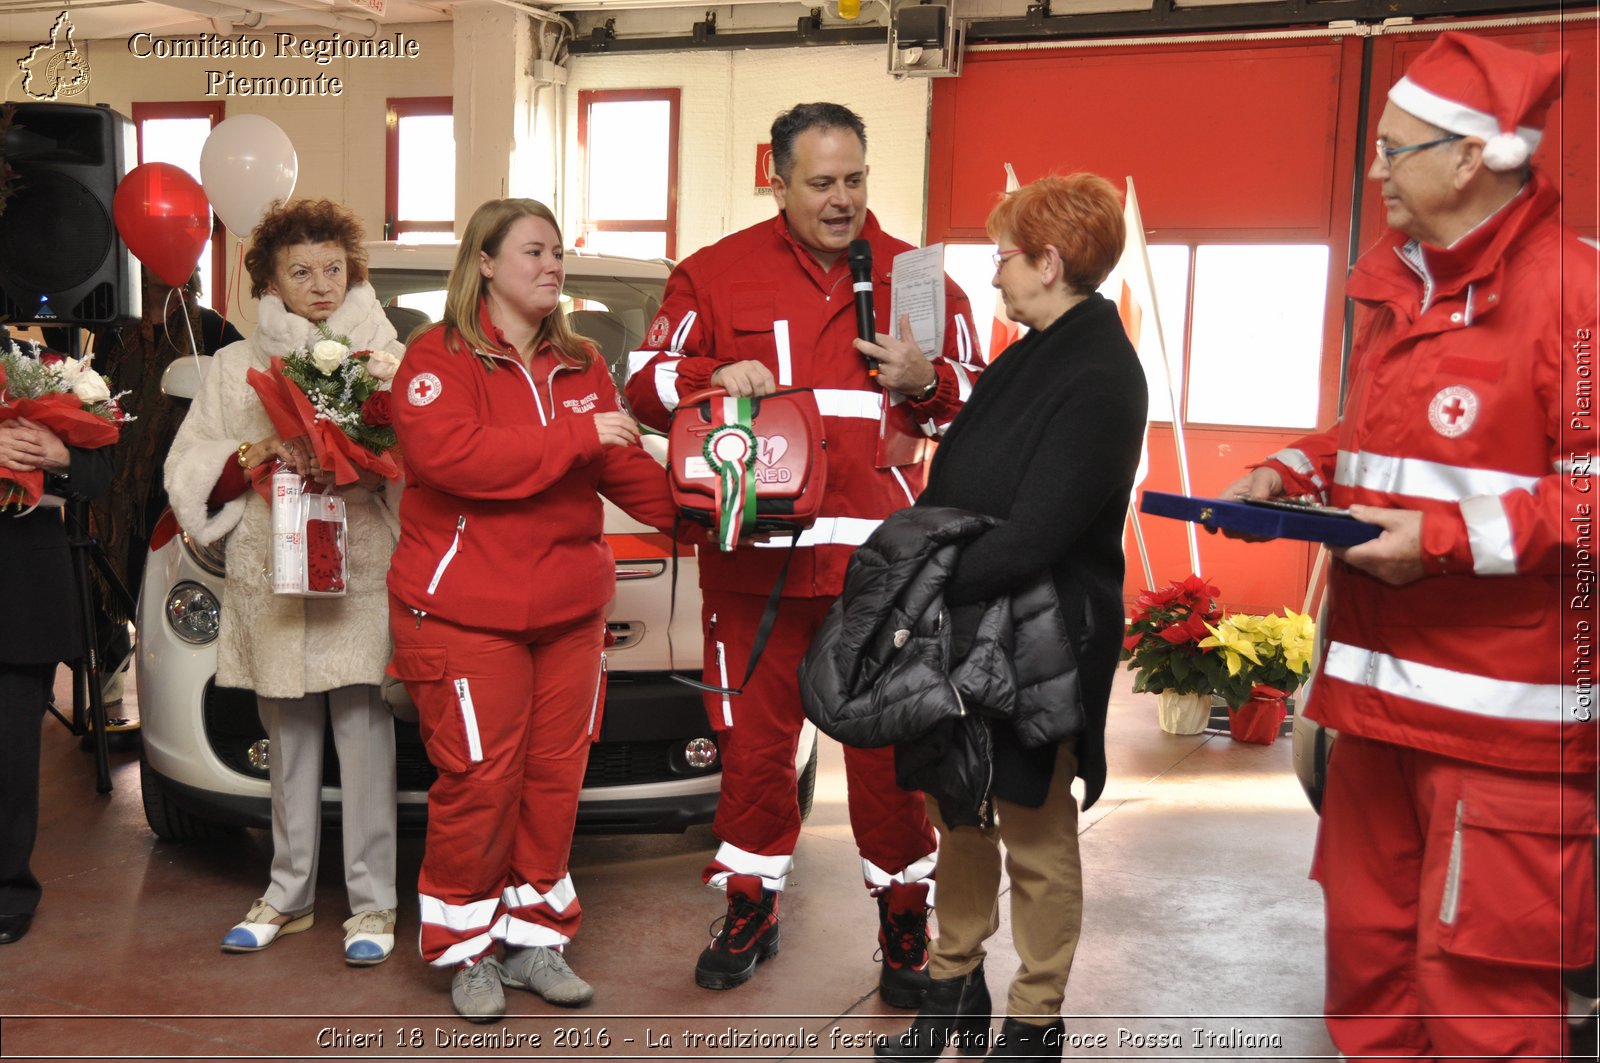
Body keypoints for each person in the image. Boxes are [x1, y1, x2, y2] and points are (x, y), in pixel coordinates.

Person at [1220, 32, 1598, 1060]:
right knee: (1370, 975)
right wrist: (1293, 473)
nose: (1374, 168)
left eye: (1393, 148)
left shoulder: (1576, 300)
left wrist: (1435, 542)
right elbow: (1376, 442)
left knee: (1484, 1009)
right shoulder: (1408, 287)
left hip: (1504, 736)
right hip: (1377, 720)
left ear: (1471, 156)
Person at [624, 101, 983, 1004]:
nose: (841, 200)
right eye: (820, 182)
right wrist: (709, 377)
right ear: (776, 180)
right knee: (752, 750)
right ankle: (751, 903)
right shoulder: (712, 272)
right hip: (757, 569)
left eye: (855, 179)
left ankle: (906, 918)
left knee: (892, 756)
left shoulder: (920, 278)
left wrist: (927, 379)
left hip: (883, 575)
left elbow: (985, 399)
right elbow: (643, 381)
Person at [868, 174, 1145, 1062]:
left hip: (1043, 635)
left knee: (1031, 826)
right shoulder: (1034, 348)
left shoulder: (1101, 372)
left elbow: (1040, 532)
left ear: (1050, 262)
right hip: (978, 627)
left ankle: (1034, 1017)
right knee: (961, 812)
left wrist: (925, 581)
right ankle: (952, 991)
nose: (995, 276)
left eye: (1006, 257)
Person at [386, 198, 680, 1024]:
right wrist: (581, 438)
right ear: (484, 262)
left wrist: (707, 511)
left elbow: (621, 470)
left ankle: (534, 936)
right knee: (480, 782)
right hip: (463, 613)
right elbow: (456, 460)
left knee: (555, 779)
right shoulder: (435, 359)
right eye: (534, 252)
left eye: (559, 253)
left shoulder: (583, 362)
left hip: (568, 614)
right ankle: (466, 949)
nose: (553, 266)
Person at [164, 199, 404, 968]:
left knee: (365, 735)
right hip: (275, 569)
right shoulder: (236, 366)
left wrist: (361, 459)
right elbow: (192, 468)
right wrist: (259, 451)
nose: (321, 284)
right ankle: (288, 891)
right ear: (268, 279)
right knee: (288, 737)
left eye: (334, 268)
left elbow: (423, 456)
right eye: (300, 271)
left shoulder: (386, 357)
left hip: (359, 566)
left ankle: (373, 902)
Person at [48, 272, 244, 695]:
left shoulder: (213, 329)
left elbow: (243, 393)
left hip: (171, 489)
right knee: (91, 573)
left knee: (156, 589)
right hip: (111, 485)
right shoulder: (115, 331)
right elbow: (94, 395)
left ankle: (167, 689)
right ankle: (109, 663)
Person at [0, 345, 115, 947]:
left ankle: (6, 891)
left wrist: (62, 454)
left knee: (11, 756)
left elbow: (100, 475)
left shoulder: (42, 367)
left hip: (18, 589)